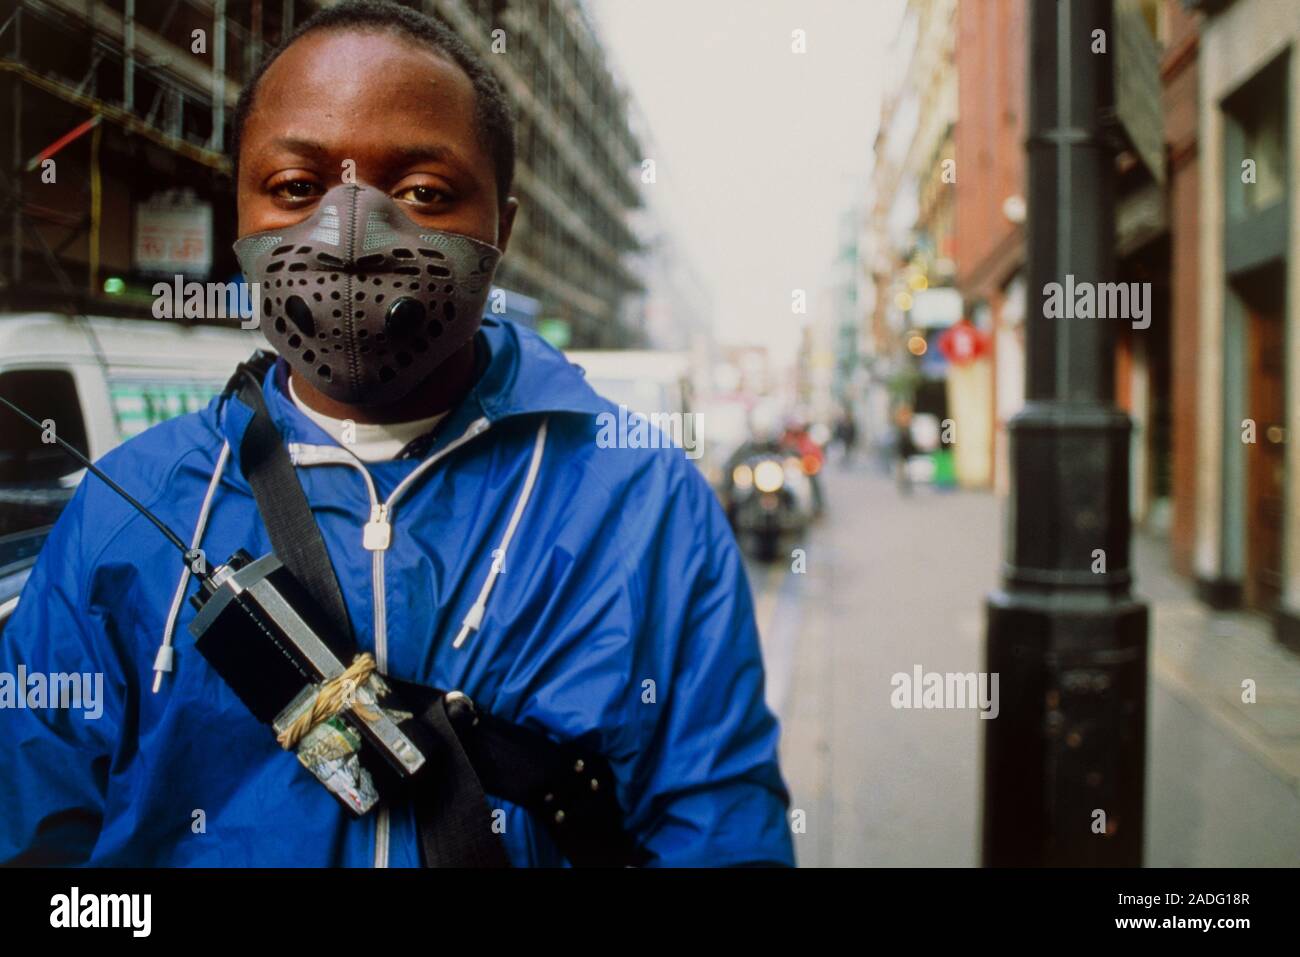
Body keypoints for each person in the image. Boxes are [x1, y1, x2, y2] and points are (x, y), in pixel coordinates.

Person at [0, 0, 793, 867]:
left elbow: (718, 832)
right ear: (239, 215)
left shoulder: (643, 505)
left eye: (422, 192)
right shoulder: (125, 515)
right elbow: (39, 837)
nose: (348, 238)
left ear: (504, 229)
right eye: (297, 188)